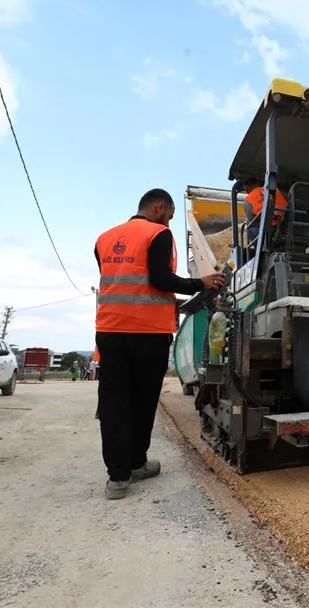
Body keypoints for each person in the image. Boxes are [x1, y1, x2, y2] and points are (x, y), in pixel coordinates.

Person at [94, 188, 225, 500]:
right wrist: (200, 283)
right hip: (148, 333)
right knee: (142, 401)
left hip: (110, 329)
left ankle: (117, 478)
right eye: (168, 215)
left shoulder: (104, 238)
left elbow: (130, 283)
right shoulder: (158, 234)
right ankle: (137, 463)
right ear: (157, 208)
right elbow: (159, 279)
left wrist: (173, 301)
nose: (168, 222)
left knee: (113, 403)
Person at [235, 179, 288, 257]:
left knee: (250, 227)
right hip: (285, 228)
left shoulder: (250, 198)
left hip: (271, 231)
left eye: (244, 186)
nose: (244, 189)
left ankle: (261, 251)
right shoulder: (276, 191)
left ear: (248, 185)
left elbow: (256, 218)